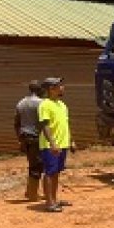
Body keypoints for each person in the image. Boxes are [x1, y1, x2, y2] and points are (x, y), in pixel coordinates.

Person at [38, 77, 75, 213]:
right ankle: (49, 202)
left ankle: (54, 199)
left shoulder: (62, 105)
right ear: (51, 89)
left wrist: (70, 140)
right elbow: (45, 125)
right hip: (50, 146)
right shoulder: (45, 105)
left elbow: (65, 124)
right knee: (50, 172)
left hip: (62, 144)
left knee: (56, 172)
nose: (62, 88)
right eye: (60, 86)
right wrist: (52, 143)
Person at [14, 80, 44, 201]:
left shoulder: (21, 103)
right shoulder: (41, 103)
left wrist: (20, 140)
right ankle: (32, 194)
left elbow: (16, 123)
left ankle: (29, 191)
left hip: (25, 137)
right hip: (36, 138)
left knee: (33, 163)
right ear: (39, 90)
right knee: (37, 165)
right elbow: (44, 123)